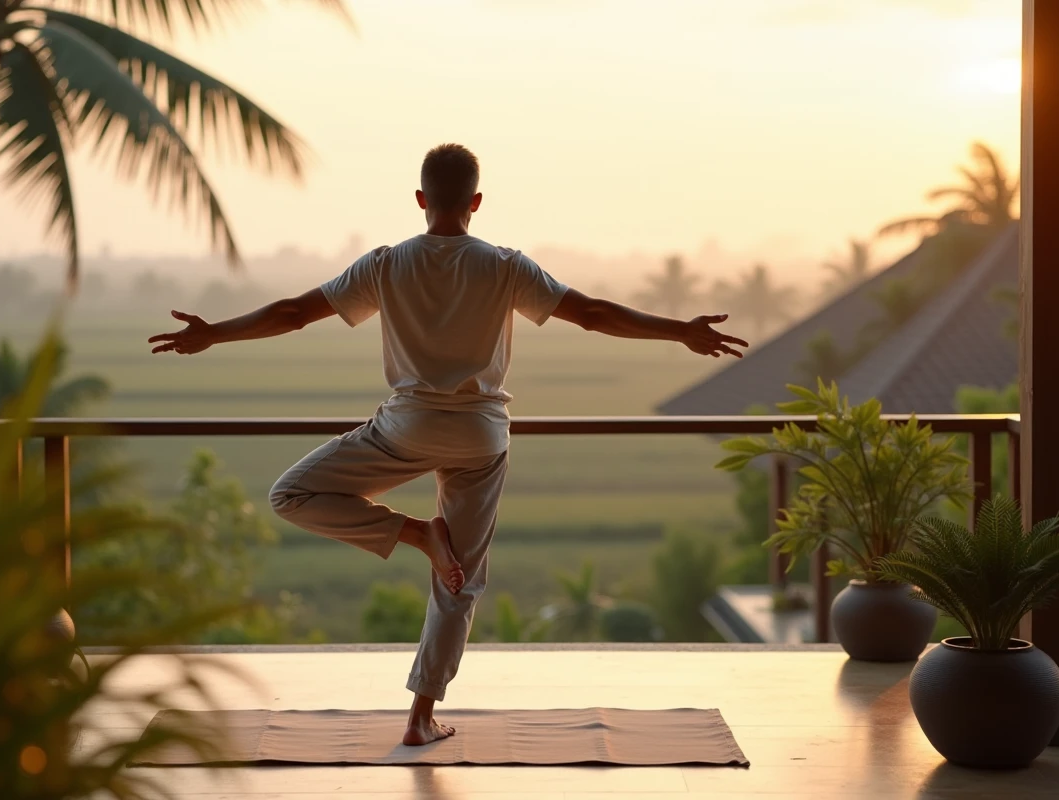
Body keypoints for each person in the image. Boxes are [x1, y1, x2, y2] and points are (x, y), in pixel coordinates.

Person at [148, 143, 747, 746]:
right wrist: (681, 332)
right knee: (460, 578)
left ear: (420, 200)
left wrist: (213, 335)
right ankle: (420, 717)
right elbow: (591, 313)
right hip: (480, 439)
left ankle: (414, 535)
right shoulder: (506, 266)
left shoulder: (384, 265)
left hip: (403, 429)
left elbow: (292, 312)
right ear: (476, 203)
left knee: (290, 494)